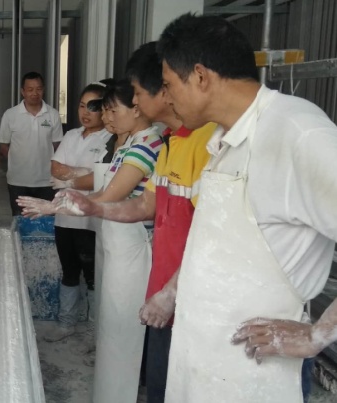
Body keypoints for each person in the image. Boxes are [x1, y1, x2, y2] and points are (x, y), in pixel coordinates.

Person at [134, 14, 337, 403]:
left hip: (255, 373)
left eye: (169, 85)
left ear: (200, 76)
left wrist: (317, 336)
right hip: (202, 360)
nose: (167, 98)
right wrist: (172, 292)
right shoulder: (223, 140)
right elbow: (214, 244)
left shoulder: (297, 132)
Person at [19, 79, 162, 403]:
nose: (107, 117)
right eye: (104, 110)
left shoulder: (147, 144)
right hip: (115, 236)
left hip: (133, 242)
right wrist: (62, 202)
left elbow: (109, 195)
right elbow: (94, 187)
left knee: (127, 323)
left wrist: (54, 205)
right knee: (114, 320)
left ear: (137, 108)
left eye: (112, 110)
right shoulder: (128, 144)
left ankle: (129, 386)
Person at [42, 82, 112, 342]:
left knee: (93, 276)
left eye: (92, 107)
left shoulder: (109, 139)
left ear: (105, 109)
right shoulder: (71, 135)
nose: (85, 112)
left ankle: (94, 332)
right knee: (69, 271)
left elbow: (99, 179)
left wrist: (70, 179)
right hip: (64, 215)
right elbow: (54, 168)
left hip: (89, 221)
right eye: (82, 106)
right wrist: (81, 175)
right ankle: (66, 323)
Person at [0, 72, 63, 216]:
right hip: (18, 181)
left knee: (45, 222)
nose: (35, 93)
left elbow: (57, 145)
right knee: (21, 221)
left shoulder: (52, 114)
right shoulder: (10, 115)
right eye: (30, 89)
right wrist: (17, 160)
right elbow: (3, 145)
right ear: (23, 91)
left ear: (43, 90)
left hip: (46, 181)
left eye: (38, 89)